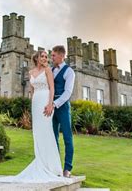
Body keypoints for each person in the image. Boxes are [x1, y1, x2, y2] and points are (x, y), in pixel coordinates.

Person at [0, 49, 72, 184]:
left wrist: (50, 104)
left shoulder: (48, 71)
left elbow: (52, 89)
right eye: (43, 56)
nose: (45, 58)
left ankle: (52, 167)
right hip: (36, 104)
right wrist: (32, 105)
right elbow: (31, 91)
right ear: (36, 58)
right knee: (37, 134)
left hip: (46, 101)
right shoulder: (31, 72)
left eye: (47, 56)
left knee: (47, 133)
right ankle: (40, 162)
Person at [44, 45, 75, 178]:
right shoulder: (51, 70)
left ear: (61, 56)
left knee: (67, 137)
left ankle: (67, 168)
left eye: (53, 55)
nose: (52, 58)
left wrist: (55, 104)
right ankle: (56, 166)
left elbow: (68, 93)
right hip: (51, 106)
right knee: (53, 137)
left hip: (62, 107)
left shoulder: (69, 72)